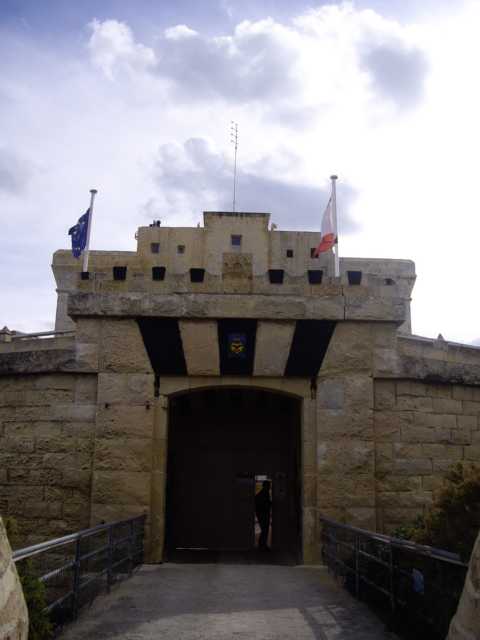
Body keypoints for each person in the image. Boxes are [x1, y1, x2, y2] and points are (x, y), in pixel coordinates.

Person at [255, 480, 272, 550]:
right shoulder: (265, 494)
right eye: (269, 486)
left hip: (261, 514)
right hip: (263, 514)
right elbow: (266, 504)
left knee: (264, 530)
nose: (270, 487)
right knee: (265, 530)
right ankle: (262, 545)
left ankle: (262, 545)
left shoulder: (261, 493)